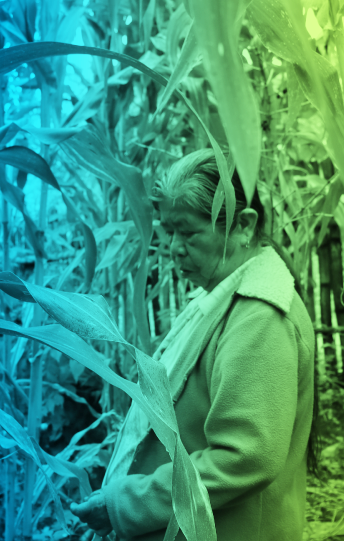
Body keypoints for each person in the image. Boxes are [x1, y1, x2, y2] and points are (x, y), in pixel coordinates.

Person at [70, 149, 321, 541]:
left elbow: (243, 458)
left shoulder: (260, 319)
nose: (173, 248)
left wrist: (126, 505)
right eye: (168, 231)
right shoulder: (221, 297)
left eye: (187, 233)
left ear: (244, 226)